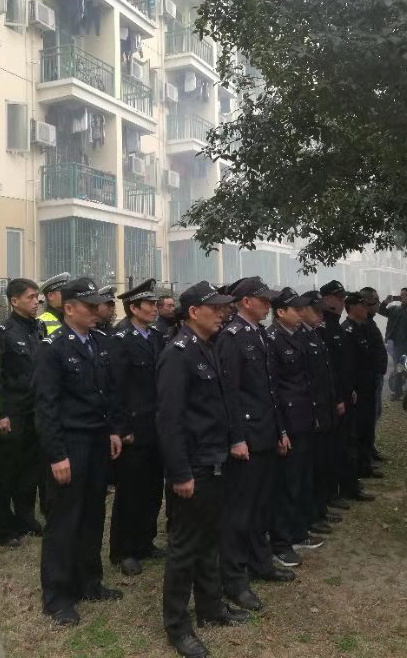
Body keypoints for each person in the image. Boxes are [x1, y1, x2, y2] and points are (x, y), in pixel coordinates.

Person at [157, 281, 249, 658]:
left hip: (215, 460)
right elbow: (169, 420)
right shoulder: (178, 354)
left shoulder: (208, 346)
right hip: (194, 464)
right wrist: (180, 473)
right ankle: (178, 626)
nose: (223, 313)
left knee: (209, 539)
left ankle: (210, 607)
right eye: (216, 308)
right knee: (184, 547)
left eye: (225, 307)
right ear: (194, 312)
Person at [33, 278, 124, 626]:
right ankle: (58, 595)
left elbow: (107, 393)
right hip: (70, 443)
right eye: (89, 305)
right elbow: (46, 407)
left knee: (92, 514)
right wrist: (57, 455)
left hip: (97, 440)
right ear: (69, 308)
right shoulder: (52, 348)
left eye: (97, 305)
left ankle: (89, 581)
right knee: (64, 519)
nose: (96, 311)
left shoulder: (99, 342)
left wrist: (113, 430)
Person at [217, 276, 293, 613]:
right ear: (246, 301)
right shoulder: (231, 337)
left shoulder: (258, 333)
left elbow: (270, 390)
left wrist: (280, 430)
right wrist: (236, 437)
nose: (268, 306)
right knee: (239, 512)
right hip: (246, 438)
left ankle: (259, 563)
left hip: (265, 433)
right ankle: (234, 578)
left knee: (261, 506)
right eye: (263, 300)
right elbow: (230, 394)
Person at [110, 279, 165, 576]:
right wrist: (122, 427)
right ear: (133, 308)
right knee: (130, 491)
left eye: (156, 304)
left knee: (153, 488)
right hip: (133, 427)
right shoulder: (120, 339)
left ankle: (145, 541)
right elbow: (116, 387)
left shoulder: (155, 337)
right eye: (149, 304)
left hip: (155, 424)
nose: (155, 309)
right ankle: (123, 550)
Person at [267, 287, 325, 562]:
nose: (302, 313)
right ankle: (282, 540)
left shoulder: (297, 335)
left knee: (301, 478)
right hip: (288, 421)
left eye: (303, 308)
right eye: (296, 309)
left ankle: (298, 530)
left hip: (303, 417)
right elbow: (274, 389)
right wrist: (281, 429)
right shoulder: (273, 339)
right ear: (280, 312)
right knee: (286, 483)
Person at [0, 279, 46, 547]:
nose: (36, 301)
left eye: (37, 297)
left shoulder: (38, 329)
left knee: (30, 470)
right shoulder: (2, 333)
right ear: (14, 301)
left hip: (35, 409)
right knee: (6, 470)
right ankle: (5, 528)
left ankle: (26, 519)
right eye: (31, 297)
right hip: (12, 411)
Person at [319, 281, 373, 504]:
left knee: (348, 441)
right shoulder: (324, 328)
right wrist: (338, 396)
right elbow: (329, 370)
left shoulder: (336, 327)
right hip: (335, 398)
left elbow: (345, 366)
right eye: (338, 298)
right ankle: (337, 490)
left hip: (346, 394)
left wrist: (350, 390)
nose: (342, 302)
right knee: (338, 446)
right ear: (327, 299)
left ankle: (349, 486)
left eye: (343, 298)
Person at [298, 291, 342, 530]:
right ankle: (312, 514)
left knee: (324, 460)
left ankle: (321, 508)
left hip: (324, 408)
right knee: (312, 466)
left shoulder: (315, 333)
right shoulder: (299, 337)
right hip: (311, 411)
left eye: (321, 311)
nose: (320, 315)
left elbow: (327, 373)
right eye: (315, 310)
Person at [342, 292, 381, 480]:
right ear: (352, 307)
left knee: (367, 427)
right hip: (357, 389)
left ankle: (365, 464)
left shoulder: (362, 327)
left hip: (368, 386)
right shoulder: (347, 330)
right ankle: (358, 467)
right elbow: (348, 365)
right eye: (363, 305)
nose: (367, 308)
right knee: (357, 430)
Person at [360, 286, 389, 466]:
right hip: (370, 377)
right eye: (376, 301)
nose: (378, 304)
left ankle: (370, 447)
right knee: (370, 416)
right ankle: (366, 452)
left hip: (377, 375)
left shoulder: (370, 322)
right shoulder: (362, 324)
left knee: (375, 413)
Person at [380, 287, 407, 364]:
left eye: (405, 295)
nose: (402, 296)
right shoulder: (394, 309)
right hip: (397, 344)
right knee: (398, 366)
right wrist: (385, 302)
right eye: (401, 294)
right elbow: (381, 311)